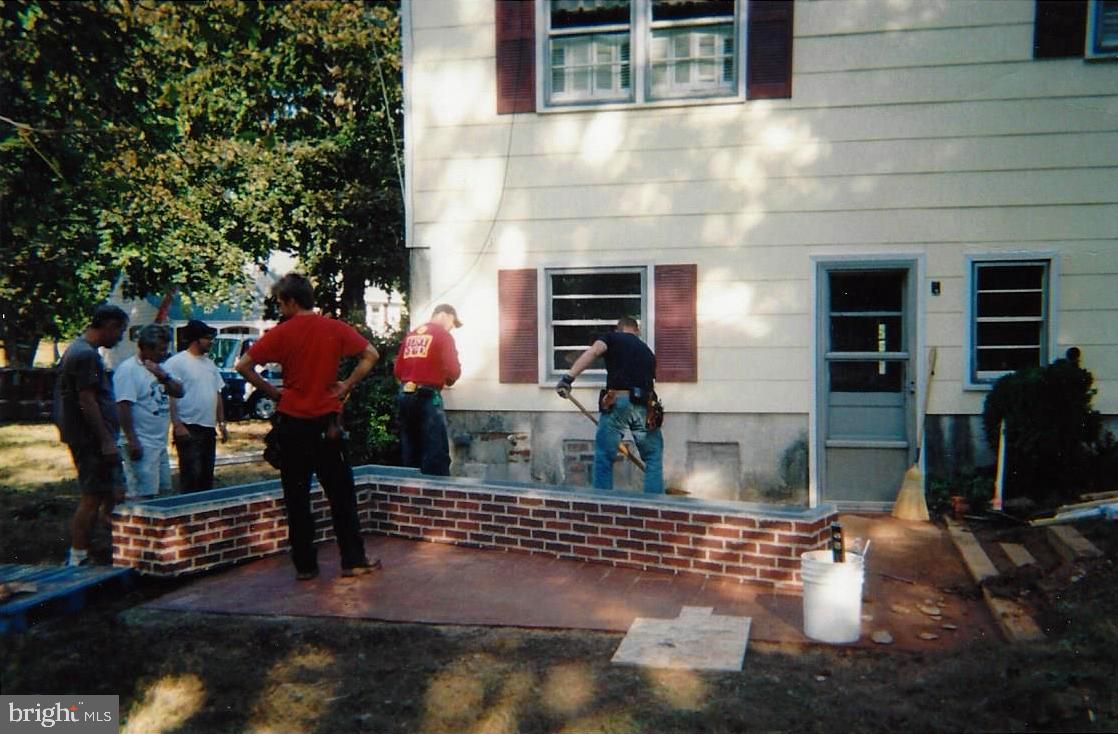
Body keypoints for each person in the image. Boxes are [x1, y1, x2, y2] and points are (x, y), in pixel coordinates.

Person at [235, 273, 380, 581]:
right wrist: (346, 386)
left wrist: (274, 393)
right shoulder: (334, 328)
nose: (280, 308)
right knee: (341, 495)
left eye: (280, 303)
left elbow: (243, 365)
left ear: (291, 301)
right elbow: (371, 355)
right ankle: (353, 560)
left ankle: (305, 566)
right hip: (327, 424)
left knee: (297, 497)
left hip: (292, 424)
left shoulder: (282, 333)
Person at [53, 304, 129, 566]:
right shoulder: (85, 355)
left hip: (90, 438)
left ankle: (107, 549)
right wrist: (106, 439)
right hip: (91, 441)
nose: (120, 338)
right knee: (93, 496)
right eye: (120, 331)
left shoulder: (80, 351)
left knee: (111, 495)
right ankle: (77, 557)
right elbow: (87, 400)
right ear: (109, 326)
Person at [556, 316, 664, 494]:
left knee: (605, 457)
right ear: (637, 331)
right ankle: (656, 509)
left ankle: (603, 506)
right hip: (646, 405)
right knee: (653, 457)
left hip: (618, 401)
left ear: (618, 329)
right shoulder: (647, 351)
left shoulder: (612, 338)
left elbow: (595, 351)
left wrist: (568, 379)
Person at [113, 325, 184, 501]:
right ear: (145, 348)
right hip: (141, 441)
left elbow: (179, 392)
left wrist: (163, 376)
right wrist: (132, 440)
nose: (164, 354)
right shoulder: (129, 370)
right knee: (143, 496)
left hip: (159, 442)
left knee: (165, 493)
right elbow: (123, 406)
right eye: (160, 350)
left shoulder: (162, 368)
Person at [394, 304, 462, 476]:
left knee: (410, 450)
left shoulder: (411, 336)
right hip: (427, 397)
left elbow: (398, 371)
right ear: (445, 315)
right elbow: (453, 371)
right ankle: (438, 496)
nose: (451, 328)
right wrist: (447, 379)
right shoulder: (442, 335)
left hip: (405, 396)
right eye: (452, 323)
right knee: (435, 453)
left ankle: (411, 491)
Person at [164, 319, 227, 492]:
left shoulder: (210, 364)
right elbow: (170, 395)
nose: (210, 341)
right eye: (207, 338)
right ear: (196, 339)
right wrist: (177, 424)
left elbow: (217, 393)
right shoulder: (177, 362)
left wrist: (222, 423)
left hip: (208, 427)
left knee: (206, 477)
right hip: (188, 426)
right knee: (191, 477)